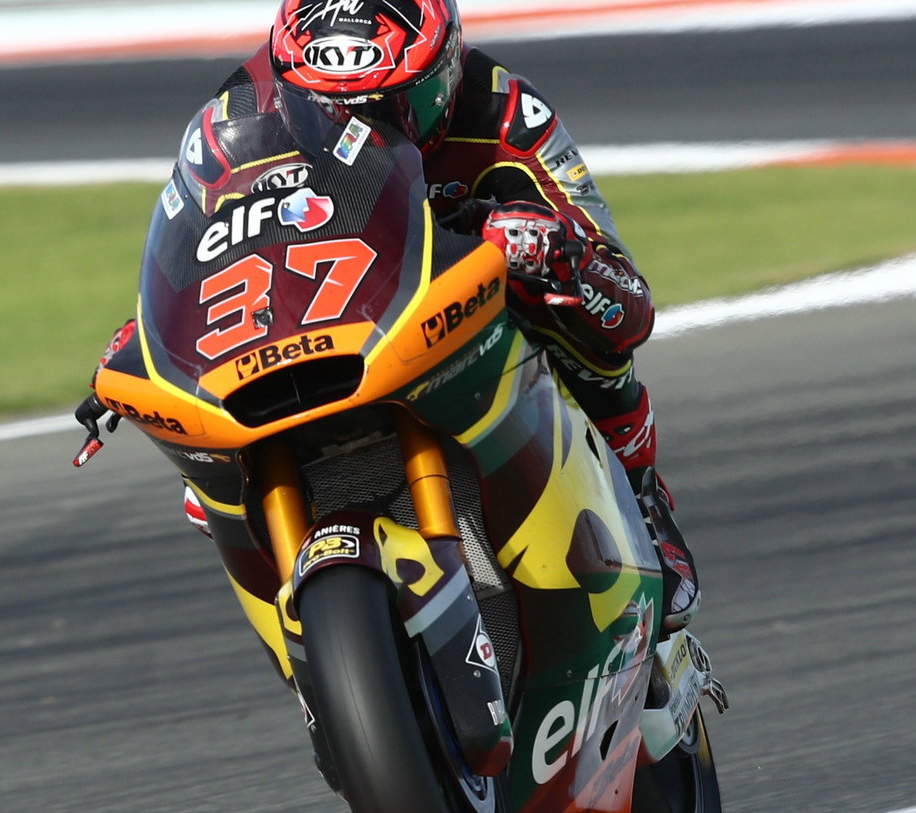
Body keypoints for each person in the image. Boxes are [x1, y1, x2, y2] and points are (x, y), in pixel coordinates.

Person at [96, 0, 698, 632]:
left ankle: (639, 495)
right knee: (201, 488)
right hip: (326, 311)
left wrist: (555, 247)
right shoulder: (232, 123)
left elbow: (627, 300)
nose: (358, 126)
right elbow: (191, 248)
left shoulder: (508, 116)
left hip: (455, 306)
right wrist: (153, 331)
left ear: (444, 71)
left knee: (584, 315)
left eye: (388, 106)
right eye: (327, 107)